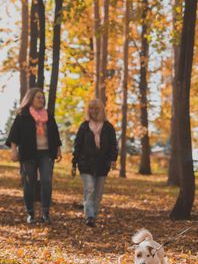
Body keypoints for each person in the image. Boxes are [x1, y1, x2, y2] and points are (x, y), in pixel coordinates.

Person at [6, 88, 62, 224]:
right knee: (29, 182)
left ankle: (45, 213)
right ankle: (30, 213)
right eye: (38, 97)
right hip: (28, 153)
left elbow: (55, 133)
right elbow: (14, 135)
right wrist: (14, 151)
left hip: (46, 153)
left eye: (42, 98)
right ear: (31, 99)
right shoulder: (23, 115)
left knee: (46, 181)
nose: (41, 100)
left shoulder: (48, 115)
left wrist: (58, 150)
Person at [72, 99, 118, 227]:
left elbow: (113, 145)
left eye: (96, 109)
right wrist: (74, 163)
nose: (94, 111)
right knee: (90, 188)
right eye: (91, 109)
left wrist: (113, 159)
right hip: (85, 163)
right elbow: (77, 145)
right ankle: (89, 216)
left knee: (98, 192)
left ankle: (94, 215)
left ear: (101, 110)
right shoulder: (84, 126)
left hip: (102, 164)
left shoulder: (108, 127)